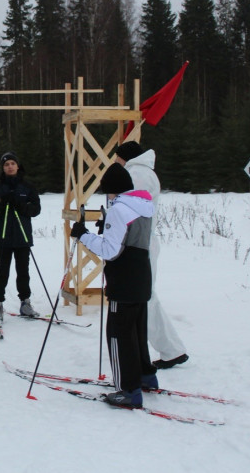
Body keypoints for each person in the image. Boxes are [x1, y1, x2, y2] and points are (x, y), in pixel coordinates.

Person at [69, 162, 158, 408]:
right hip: (141, 274)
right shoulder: (143, 205)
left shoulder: (119, 209)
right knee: (137, 331)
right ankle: (145, 376)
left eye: (107, 191)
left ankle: (128, 390)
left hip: (124, 278)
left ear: (114, 190)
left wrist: (83, 235)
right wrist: (107, 231)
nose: (106, 196)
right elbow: (127, 238)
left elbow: (110, 251)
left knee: (119, 334)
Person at [115, 141, 189, 369]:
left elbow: (133, 209)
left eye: (117, 158)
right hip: (140, 242)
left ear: (125, 157)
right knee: (146, 297)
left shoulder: (138, 174)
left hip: (139, 244)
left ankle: (169, 350)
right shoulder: (139, 172)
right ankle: (170, 349)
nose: (115, 162)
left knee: (144, 298)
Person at [0, 152, 42, 323]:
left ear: (18, 166)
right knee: (1, 272)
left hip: (22, 237)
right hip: (3, 238)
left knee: (23, 272)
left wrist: (20, 203)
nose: (10, 166)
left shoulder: (28, 187)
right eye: (6, 164)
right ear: (3, 168)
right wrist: (3, 203)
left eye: (12, 163)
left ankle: (25, 302)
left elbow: (36, 210)